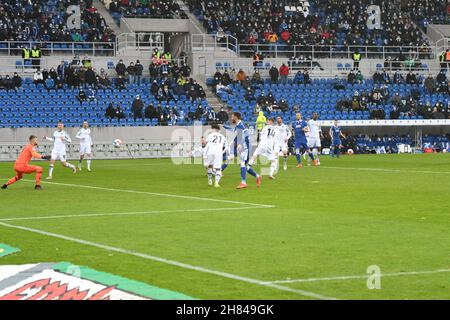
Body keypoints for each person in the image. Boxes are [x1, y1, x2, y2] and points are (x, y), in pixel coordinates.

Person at [224, 112, 261, 189]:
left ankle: (243, 182)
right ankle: (257, 176)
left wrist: (240, 143)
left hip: (245, 148)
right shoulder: (239, 125)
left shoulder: (240, 126)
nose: (231, 118)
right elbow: (234, 130)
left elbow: (243, 136)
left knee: (242, 163)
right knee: (246, 167)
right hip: (245, 148)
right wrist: (225, 127)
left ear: (236, 117)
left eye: (232, 117)